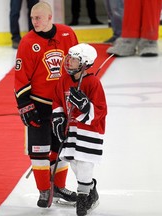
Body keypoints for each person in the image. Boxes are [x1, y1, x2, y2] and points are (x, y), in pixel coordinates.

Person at [14, 1, 79, 208]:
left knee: (60, 147)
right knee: (39, 149)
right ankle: (44, 190)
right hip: (38, 104)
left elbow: (77, 66)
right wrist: (25, 105)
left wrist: (80, 92)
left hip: (62, 103)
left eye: (38, 18)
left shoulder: (67, 34)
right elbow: (20, 76)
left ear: (50, 18)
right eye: (32, 18)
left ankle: (58, 187)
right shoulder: (27, 42)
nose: (34, 22)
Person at [52, 43, 107, 216]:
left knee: (84, 164)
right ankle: (91, 189)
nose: (68, 61)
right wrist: (58, 117)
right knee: (73, 161)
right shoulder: (64, 80)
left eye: (74, 59)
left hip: (88, 131)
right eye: (69, 58)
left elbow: (100, 109)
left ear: (85, 63)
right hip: (71, 130)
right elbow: (57, 101)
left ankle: (83, 199)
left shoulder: (93, 82)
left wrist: (85, 106)